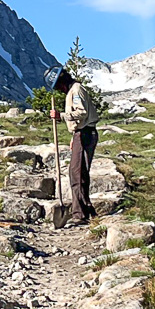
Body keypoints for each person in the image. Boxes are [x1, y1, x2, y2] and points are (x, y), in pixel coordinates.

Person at [51, 69, 99, 225]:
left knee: (76, 172)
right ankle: (87, 209)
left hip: (85, 134)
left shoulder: (76, 90)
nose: (59, 90)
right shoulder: (74, 90)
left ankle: (79, 214)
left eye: (58, 86)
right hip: (82, 133)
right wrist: (74, 135)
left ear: (62, 82)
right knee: (81, 172)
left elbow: (82, 112)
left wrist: (62, 116)